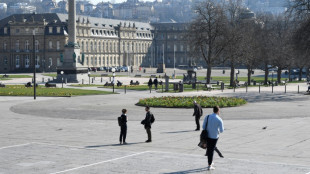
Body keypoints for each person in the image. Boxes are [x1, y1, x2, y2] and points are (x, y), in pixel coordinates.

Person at [202, 106, 224, 170]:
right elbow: (222, 130)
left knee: (209, 149)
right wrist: (217, 130)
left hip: (207, 136)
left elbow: (203, 127)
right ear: (218, 111)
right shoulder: (219, 119)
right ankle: (209, 164)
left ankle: (210, 162)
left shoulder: (207, 116)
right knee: (211, 150)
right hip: (214, 137)